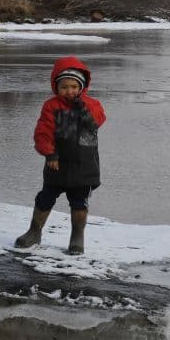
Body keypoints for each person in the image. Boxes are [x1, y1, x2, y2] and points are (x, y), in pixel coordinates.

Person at [15, 55, 106, 254]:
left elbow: (98, 121)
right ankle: (34, 231)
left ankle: (77, 238)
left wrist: (83, 108)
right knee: (45, 197)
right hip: (57, 163)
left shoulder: (93, 104)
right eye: (64, 87)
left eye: (74, 87)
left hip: (84, 164)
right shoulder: (51, 106)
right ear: (56, 87)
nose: (69, 91)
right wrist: (50, 155)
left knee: (79, 202)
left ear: (81, 87)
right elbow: (43, 133)